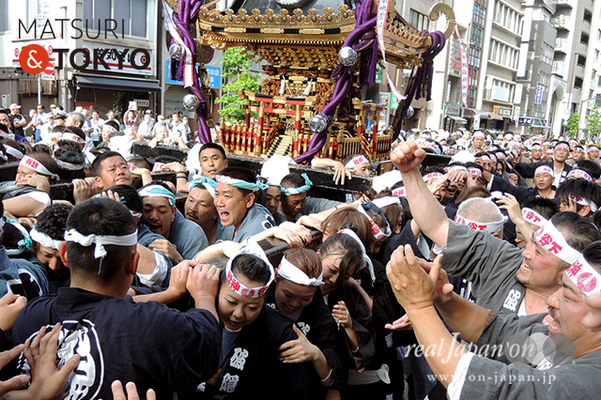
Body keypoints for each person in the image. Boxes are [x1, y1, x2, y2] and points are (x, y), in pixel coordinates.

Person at [11, 197, 222, 399]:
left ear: (64, 253)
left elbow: (104, 307)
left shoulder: (30, 315)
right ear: (133, 263)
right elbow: (206, 350)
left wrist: (170, 292)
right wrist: (203, 296)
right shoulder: (152, 325)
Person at [390, 140, 600, 315]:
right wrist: (410, 173)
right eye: (532, 243)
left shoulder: (577, 321)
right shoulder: (506, 261)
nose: (525, 252)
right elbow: (438, 225)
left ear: (568, 271)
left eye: (538, 252)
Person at [386, 240, 601, 399]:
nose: (552, 301)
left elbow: (499, 389)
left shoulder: (591, 382)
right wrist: (442, 297)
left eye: (569, 297)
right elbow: (497, 330)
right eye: (560, 287)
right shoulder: (563, 340)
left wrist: (419, 307)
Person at [189, 242, 320, 399]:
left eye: (251, 308)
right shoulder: (193, 305)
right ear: (217, 290)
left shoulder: (278, 333)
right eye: (231, 302)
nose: (238, 314)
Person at [265, 249, 343, 397]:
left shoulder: (322, 319)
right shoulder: (259, 299)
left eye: (305, 299)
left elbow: (333, 383)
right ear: (276, 276)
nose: (294, 304)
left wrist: (315, 354)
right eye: (288, 294)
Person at [139, 182, 209, 263]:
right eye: (147, 210)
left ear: (173, 212)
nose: (154, 217)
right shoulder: (135, 227)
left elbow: (200, 273)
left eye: (162, 211)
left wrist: (177, 258)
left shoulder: (191, 234)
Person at [214, 167, 275, 243]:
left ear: (249, 200)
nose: (219, 203)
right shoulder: (257, 211)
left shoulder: (254, 232)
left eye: (227, 196)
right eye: (216, 194)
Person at [3, 153, 58, 217]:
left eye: (24, 175)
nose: (18, 178)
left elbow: (41, 201)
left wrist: (42, 187)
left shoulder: (43, 198)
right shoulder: (7, 185)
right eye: (18, 172)